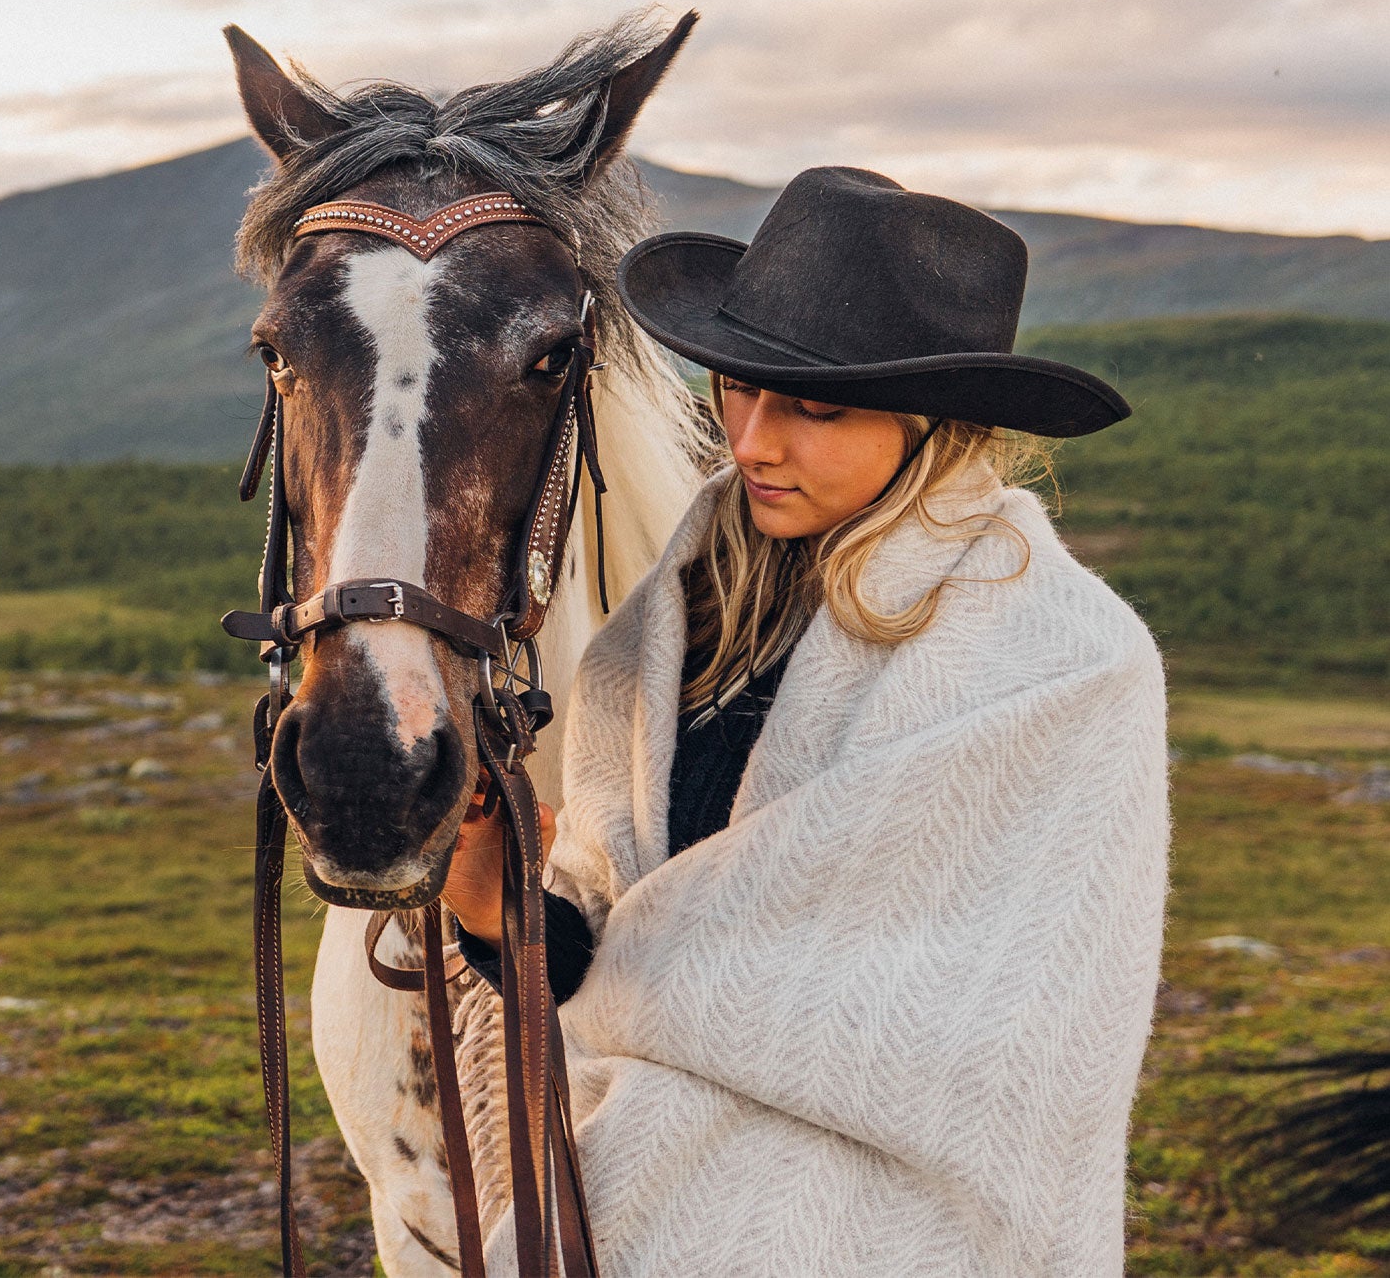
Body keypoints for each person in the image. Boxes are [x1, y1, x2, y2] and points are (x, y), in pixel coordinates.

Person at [445, 166, 1170, 1276]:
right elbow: (608, 945)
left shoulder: (1067, 666)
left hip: (907, 1231)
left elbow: (1016, 1058)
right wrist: (502, 903)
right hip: (637, 1187)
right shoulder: (670, 626)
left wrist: (646, 983)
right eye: (735, 387)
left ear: (937, 420)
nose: (750, 441)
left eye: (815, 408)